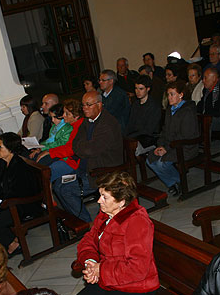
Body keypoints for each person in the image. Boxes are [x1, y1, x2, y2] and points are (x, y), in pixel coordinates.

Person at [70, 172, 159, 295]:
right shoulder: (106, 214)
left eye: (105, 197)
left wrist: (102, 270)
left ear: (121, 201)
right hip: (111, 280)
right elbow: (89, 240)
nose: (99, 201)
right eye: (100, 195)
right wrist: (91, 261)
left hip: (137, 287)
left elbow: (138, 268)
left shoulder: (138, 222)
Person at [53, 91, 123, 222]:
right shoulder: (87, 121)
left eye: (88, 105)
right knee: (58, 184)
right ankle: (78, 221)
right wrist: (84, 147)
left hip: (103, 170)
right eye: (83, 105)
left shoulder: (107, 123)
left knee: (66, 190)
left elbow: (91, 149)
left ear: (99, 105)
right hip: (87, 166)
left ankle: (85, 223)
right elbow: (75, 144)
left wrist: (83, 147)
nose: (84, 108)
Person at [0, 133, 41, 256]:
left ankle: (14, 244)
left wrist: (0, 209)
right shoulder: (4, 163)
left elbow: (19, 193)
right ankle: (12, 241)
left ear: (10, 150)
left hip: (24, 205)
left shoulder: (19, 167)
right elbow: (3, 188)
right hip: (10, 202)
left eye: (0, 147)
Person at [147, 81, 198, 197]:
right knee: (150, 160)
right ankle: (174, 183)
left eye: (172, 94)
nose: (169, 97)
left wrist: (166, 148)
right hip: (170, 145)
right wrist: (160, 145)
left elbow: (185, 136)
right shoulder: (170, 110)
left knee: (161, 164)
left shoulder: (187, 111)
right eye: (168, 94)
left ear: (181, 95)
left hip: (185, 147)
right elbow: (164, 131)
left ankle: (179, 182)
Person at [32, 99, 83, 182]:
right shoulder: (71, 125)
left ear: (76, 116)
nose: (63, 115)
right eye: (64, 112)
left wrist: (48, 151)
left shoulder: (77, 128)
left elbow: (69, 148)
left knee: (47, 171)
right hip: (66, 157)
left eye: (67, 114)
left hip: (73, 161)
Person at [125, 75, 162, 154]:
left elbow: (149, 130)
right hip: (136, 136)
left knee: (130, 146)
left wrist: (131, 137)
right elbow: (130, 123)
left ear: (148, 89)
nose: (137, 91)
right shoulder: (136, 104)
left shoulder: (154, 105)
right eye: (136, 88)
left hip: (149, 138)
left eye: (141, 89)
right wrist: (125, 136)